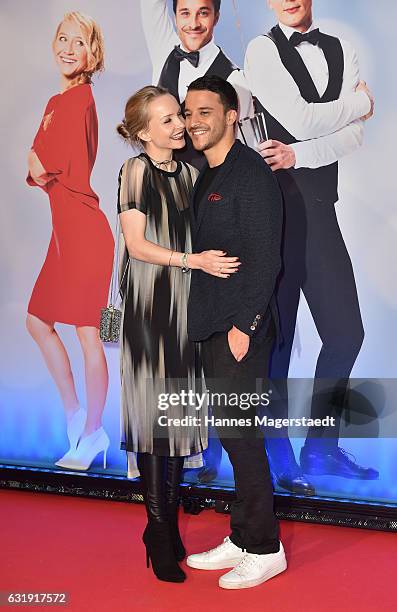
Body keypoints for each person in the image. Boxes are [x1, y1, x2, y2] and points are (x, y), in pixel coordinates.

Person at [244, 0, 378, 495]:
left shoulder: (342, 48)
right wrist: (360, 103)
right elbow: (300, 119)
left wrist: (301, 153)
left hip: (320, 211)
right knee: (277, 343)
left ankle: (320, 445)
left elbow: (354, 138)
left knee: (346, 332)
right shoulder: (261, 51)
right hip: (277, 215)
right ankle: (276, 451)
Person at [116, 85, 240, 583]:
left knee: (174, 419)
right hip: (150, 308)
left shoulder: (191, 174)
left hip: (186, 309)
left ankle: (161, 528)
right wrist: (191, 260)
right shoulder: (135, 171)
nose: (180, 126)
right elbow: (136, 245)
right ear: (145, 132)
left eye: (179, 117)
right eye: (168, 120)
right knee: (153, 420)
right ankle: (161, 530)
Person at [185, 75, 286, 590]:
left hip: (239, 329)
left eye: (205, 111)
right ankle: (242, 537)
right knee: (231, 433)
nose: (193, 121)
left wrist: (246, 325)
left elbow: (267, 255)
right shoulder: (207, 172)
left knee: (241, 436)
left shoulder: (250, 173)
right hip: (211, 323)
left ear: (231, 114)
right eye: (188, 112)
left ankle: (266, 548)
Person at [26, 12, 114, 471]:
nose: (67, 47)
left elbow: (43, 164)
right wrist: (38, 162)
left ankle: (94, 431)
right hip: (63, 233)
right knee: (37, 321)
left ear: (90, 54)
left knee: (91, 335)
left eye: (77, 42)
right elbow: (39, 171)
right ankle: (76, 413)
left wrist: (37, 159)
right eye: (62, 38)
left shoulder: (80, 99)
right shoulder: (55, 101)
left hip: (85, 233)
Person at [140, 0, 253, 171]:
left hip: (206, 189)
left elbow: (246, 150)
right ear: (175, 17)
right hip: (159, 184)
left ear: (216, 17)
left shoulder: (235, 81)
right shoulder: (164, 49)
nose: (193, 24)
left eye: (203, 13)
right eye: (185, 13)